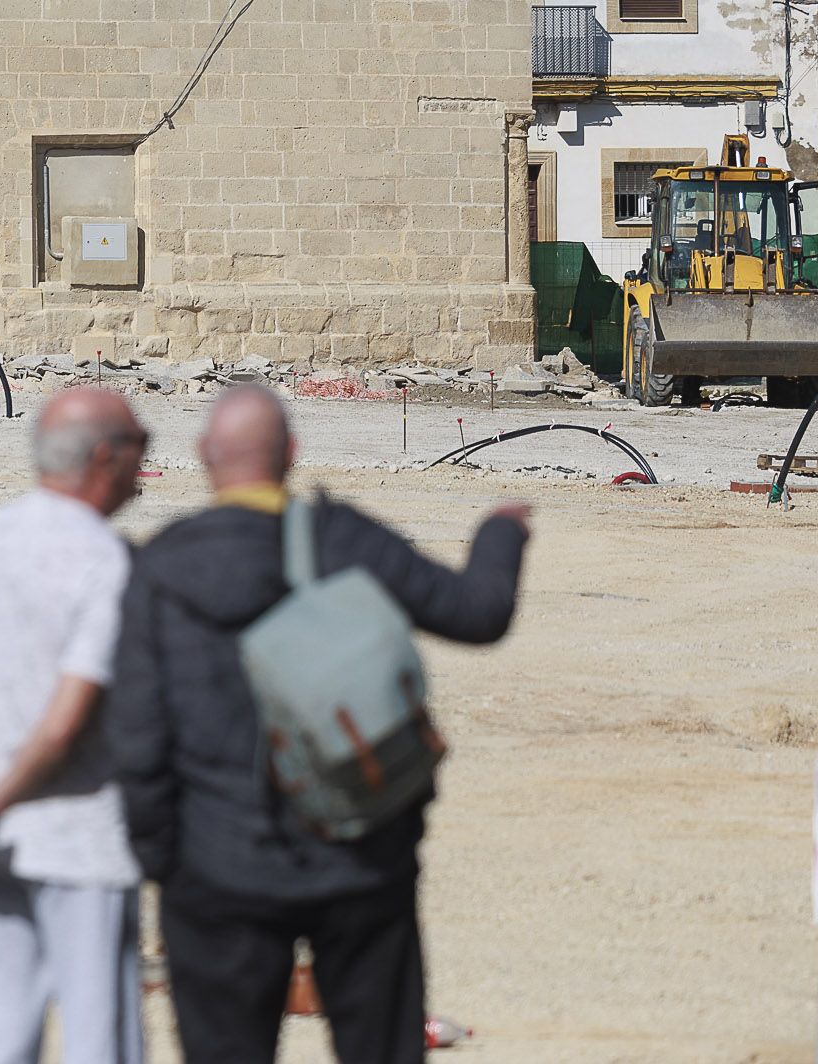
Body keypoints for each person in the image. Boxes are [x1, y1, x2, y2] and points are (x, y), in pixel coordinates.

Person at [109, 384, 529, 1064]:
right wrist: (501, 532)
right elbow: (477, 613)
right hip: (361, 858)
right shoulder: (342, 538)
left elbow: (136, 736)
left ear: (205, 457)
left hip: (218, 871)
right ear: (293, 455)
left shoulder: (161, 566)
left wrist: (168, 864)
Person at [0, 385, 150, 1064]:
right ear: (105, 458)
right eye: (141, 449)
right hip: (80, 843)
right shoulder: (106, 563)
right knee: (99, 1042)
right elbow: (62, 724)